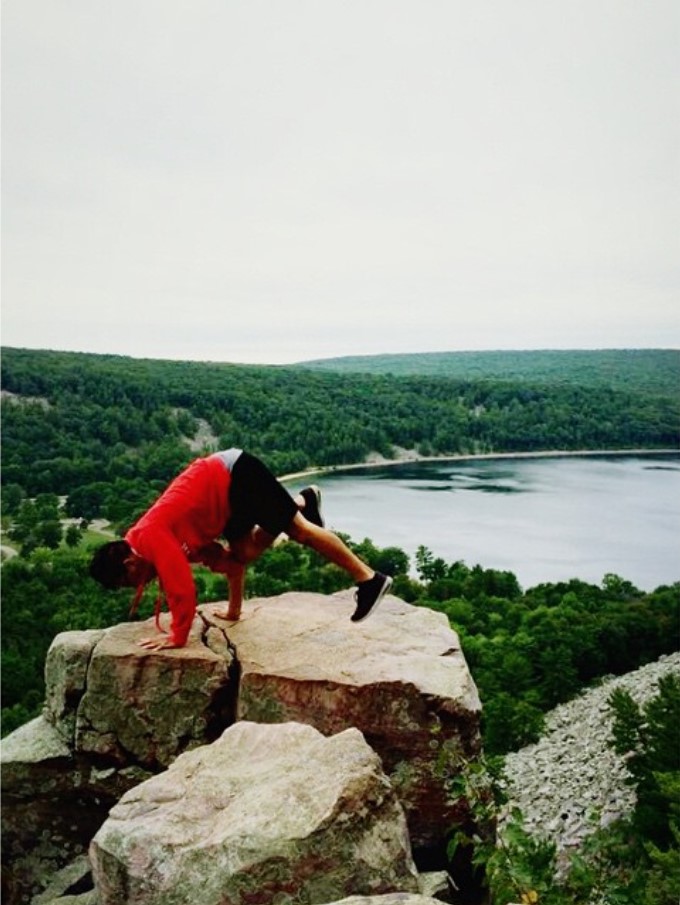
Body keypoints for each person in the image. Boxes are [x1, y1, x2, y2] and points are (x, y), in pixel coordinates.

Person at [89, 448, 392, 650]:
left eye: (132, 582)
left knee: (300, 531)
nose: (141, 584)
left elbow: (180, 588)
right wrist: (234, 612)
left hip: (233, 474)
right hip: (224, 505)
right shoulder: (167, 542)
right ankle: (302, 503)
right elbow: (231, 565)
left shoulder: (151, 537)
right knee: (244, 552)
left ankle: (369, 579)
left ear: (129, 563)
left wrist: (177, 637)